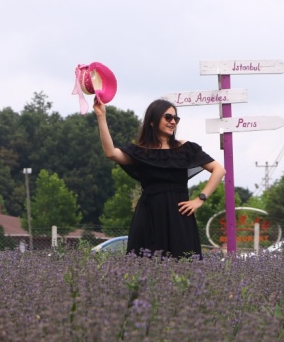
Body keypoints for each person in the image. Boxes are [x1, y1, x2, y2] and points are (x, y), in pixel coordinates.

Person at [94, 98, 226, 258]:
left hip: (180, 217)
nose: (173, 122)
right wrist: (101, 116)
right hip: (148, 217)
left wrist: (200, 199)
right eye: (168, 117)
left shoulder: (185, 148)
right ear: (152, 121)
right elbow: (111, 153)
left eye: (175, 118)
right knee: (145, 267)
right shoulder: (141, 152)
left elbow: (219, 170)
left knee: (185, 268)